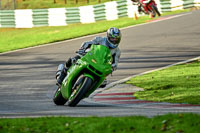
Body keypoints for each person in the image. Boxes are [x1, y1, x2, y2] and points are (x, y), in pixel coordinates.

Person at [56, 27, 122, 87]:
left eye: (116, 39)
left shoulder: (117, 51)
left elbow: (115, 64)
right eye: (112, 38)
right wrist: (83, 48)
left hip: (100, 67)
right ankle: (61, 77)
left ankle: (85, 90)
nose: (114, 40)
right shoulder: (100, 40)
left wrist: (111, 68)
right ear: (108, 37)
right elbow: (88, 43)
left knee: (103, 84)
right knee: (72, 60)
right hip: (89, 57)